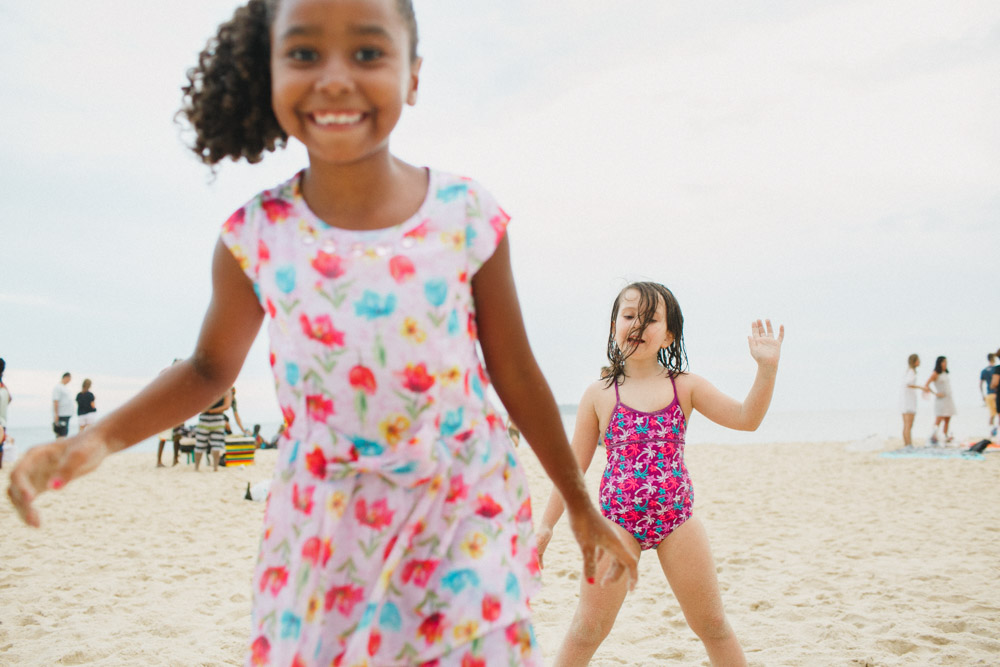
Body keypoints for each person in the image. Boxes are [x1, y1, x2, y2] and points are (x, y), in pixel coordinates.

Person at [6, 2, 637, 665]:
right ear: (268, 70)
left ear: (413, 76)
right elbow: (206, 369)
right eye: (304, 54)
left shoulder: (465, 216)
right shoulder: (255, 237)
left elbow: (515, 372)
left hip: (459, 520)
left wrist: (577, 501)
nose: (335, 79)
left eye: (368, 53)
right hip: (322, 531)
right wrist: (98, 437)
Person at [536, 282, 784, 667]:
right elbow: (572, 469)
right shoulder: (600, 393)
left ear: (668, 333)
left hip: (677, 521)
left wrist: (766, 371)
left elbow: (746, 419)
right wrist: (545, 526)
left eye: (650, 319)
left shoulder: (685, 386)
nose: (637, 324)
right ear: (614, 325)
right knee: (587, 629)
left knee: (713, 624)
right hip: (616, 523)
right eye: (629, 315)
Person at [194, 390, 232, 472]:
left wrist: (209, 410)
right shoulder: (225, 389)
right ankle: (215, 468)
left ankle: (197, 468)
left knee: (200, 444)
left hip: (205, 418)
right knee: (215, 445)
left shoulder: (207, 388)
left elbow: (200, 407)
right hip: (217, 418)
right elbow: (226, 406)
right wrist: (213, 410)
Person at [924, 356, 956, 445]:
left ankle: (944, 436)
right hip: (940, 399)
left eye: (946, 362)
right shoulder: (935, 373)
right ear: (939, 363)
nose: (945, 364)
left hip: (948, 398)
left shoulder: (945, 373)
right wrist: (935, 393)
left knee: (947, 418)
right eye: (944, 362)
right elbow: (926, 384)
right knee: (939, 418)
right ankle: (933, 437)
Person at [900, 354, 926, 447]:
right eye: (918, 360)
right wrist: (921, 387)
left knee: (906, 425)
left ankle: (907, 443)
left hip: (906, 401)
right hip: (909, 402)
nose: (920, 362)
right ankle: (908, 444)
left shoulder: (909, 371)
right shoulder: (911, 372)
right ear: (914, 361)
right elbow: (908, 383)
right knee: (908, 424)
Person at [51, 372, 73, 438]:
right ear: (66, 377)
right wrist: (56, 415)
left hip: (66, 414)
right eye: (69, 379)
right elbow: (55, 401)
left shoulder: (64, 387)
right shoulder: (58, 387)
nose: (70, 381)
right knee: (61, 433)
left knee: (64, 433)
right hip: (61, 414)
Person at [980, 352, 997, 431]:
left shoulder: (984, 371)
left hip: (989, 394)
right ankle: (996, 432)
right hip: (996, 393)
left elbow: (980, 384)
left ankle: (991, 431)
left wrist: (983, 395)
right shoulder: (996, 369)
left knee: (992, 414)